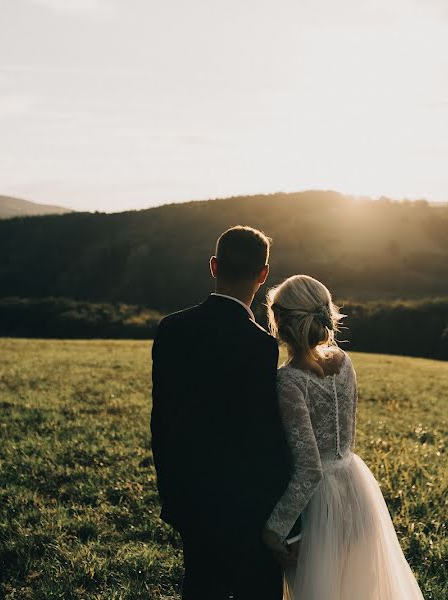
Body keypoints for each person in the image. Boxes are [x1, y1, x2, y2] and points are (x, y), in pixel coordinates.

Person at [150, 226, 297, 599]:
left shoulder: (171, 329)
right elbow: (261, 433)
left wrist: (172, 496)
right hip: (246, 504)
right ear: (264, 275)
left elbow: (162, 421)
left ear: (214, 266)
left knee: (200, 585)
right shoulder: (261, 345)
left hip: (190, 497)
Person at [262, 274, 425, 600]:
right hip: (356, 486)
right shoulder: (344, 362)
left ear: (279, 319)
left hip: (320, 506)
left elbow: (309, 468)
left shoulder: (289, 381)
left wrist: (273, 530)